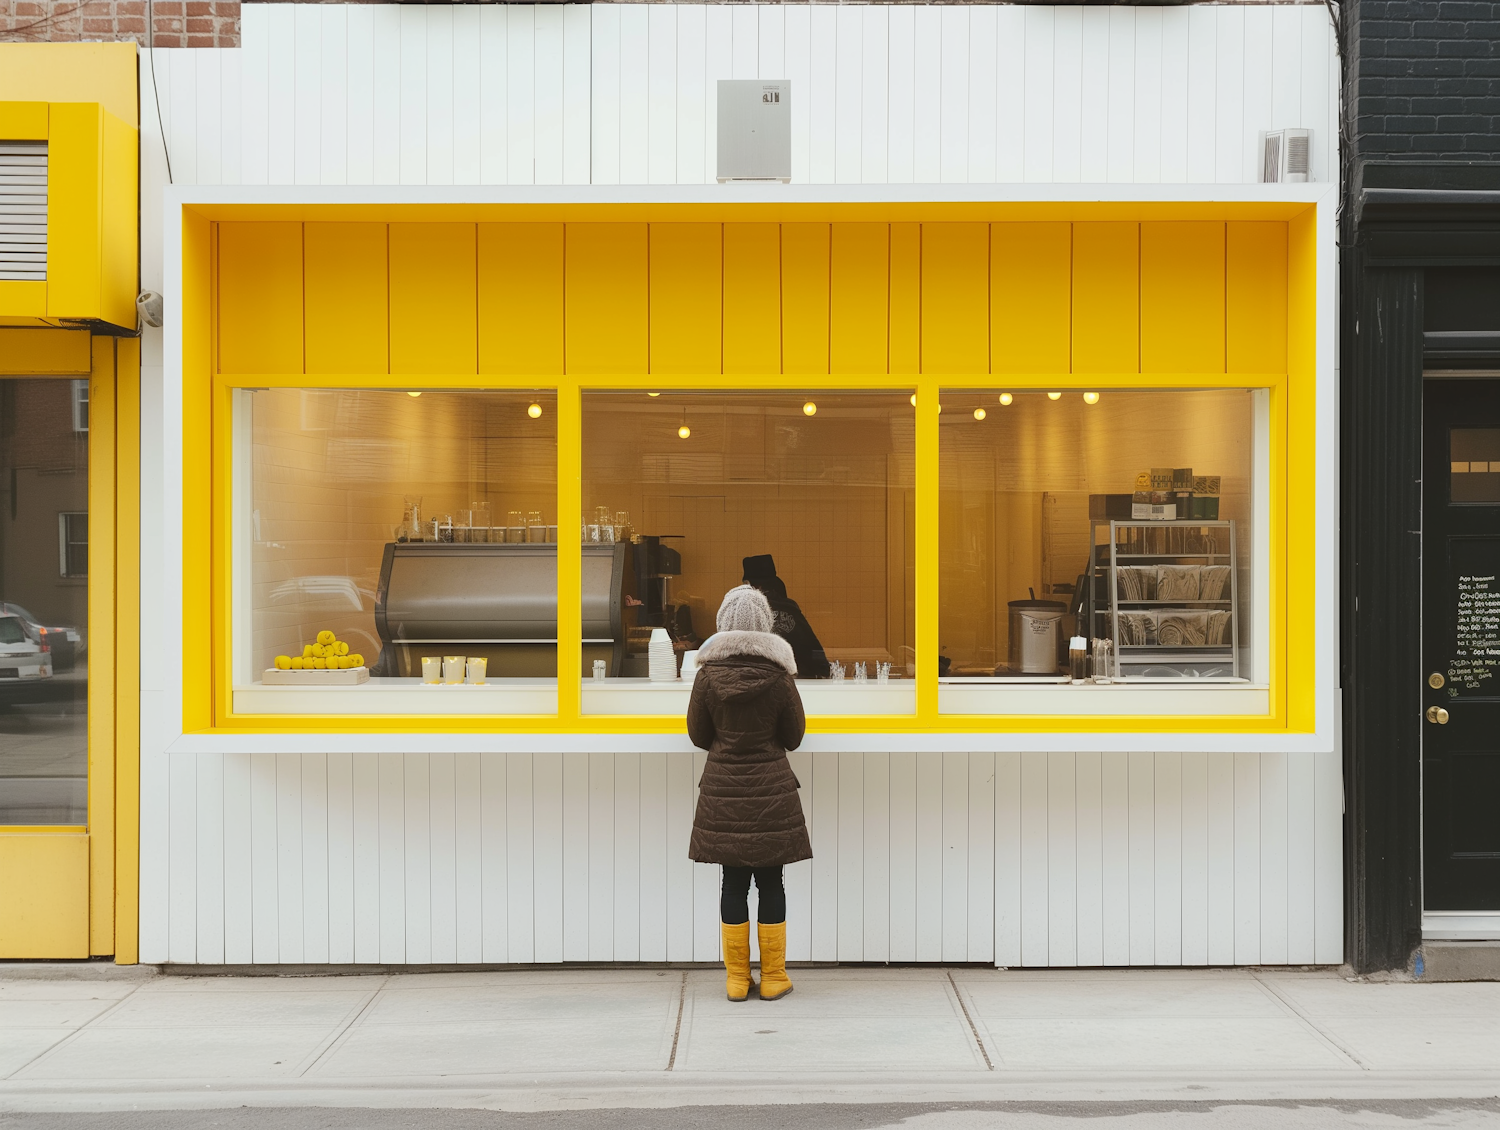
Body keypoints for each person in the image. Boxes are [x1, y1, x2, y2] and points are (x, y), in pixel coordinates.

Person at [688, 584, 812, 1002]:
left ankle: (737, 980)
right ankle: (774, 977)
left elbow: (698, 735)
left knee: (732, 886)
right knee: (772, 885)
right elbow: (793, 738)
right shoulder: (778, 676)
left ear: (723, 622)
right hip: (771, 794)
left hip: (724, 791)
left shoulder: (707, 676)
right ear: (766, 624)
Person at [741, 554, 831, 679]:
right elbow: (812, 649)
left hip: (760, 680)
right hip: (797, 681)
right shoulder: (790, 609)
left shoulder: (748, 612)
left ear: (756, 586)